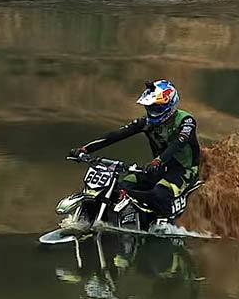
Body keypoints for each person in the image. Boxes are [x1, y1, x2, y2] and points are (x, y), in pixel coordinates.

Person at [70, 79, 200, 216]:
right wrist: (86, 149)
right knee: (119, 187)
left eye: (157, 107)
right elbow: (116, 135)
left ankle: (162, 222)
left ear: (170, 104)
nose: (153, 111)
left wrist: (159, 160)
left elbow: (180, 141)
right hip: (158, 168)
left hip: (184, 170)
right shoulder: (146, 123)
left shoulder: (186, 121)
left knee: (159, 195)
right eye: (151, 107)